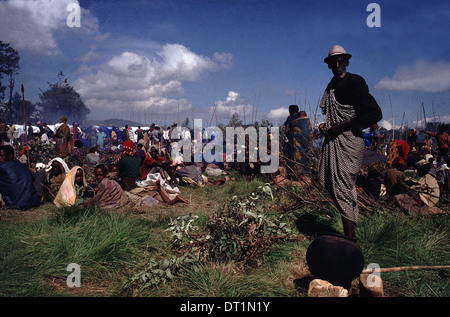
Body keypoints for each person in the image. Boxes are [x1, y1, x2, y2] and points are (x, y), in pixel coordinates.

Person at [318, 45, 382, 239]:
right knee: (335, 185)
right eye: (333, 62)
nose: (337, 65)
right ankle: (350, 234)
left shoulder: (355, 82)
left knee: (344, 187)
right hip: (334, 141)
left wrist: (343, 125)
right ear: (329, 65)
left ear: (346, 62)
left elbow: (374, 113)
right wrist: (326, 126)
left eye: (340, 61)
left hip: (349, 142)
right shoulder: (331, 85)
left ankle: (350, 240)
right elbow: (331, 116)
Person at [0, 145, 39, 209]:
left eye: (1, 156)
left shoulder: (2, 166)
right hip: (31, 201)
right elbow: (33, 176)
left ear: (10, 156)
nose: (0, 158)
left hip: (14, 203)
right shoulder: (20, 165)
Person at [286, 110, 313, 178]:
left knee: (295, 155)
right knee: (306, 155)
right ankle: (306, 173)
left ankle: (296, 174)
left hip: (295, 143)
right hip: (306, 144)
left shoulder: (292, 121)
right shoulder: (308, 123)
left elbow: (286, 131)